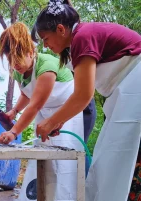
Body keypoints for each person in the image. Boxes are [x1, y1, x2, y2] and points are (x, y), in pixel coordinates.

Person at [31, 0, 141, 201]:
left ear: (61, 29)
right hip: (127, 92)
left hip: (136, 87)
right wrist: (59, 121)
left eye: (46, 38)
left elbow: (83, 95)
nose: (46, 45)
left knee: (120, 154)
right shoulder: (79, 39)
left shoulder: (83, 36)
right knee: (109, 154)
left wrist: (49, 121)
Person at [0, 22, 84, 201]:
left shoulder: (47, 65)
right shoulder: (20, 71)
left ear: (30, 51)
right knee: (42, 159)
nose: (14, 65)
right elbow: (26, 94)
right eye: (10, 60)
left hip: (67, 113)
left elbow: (34, 105)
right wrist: (14, 111)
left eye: (17, 58)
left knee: (63, 162)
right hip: (44, 114)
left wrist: (14, 132)